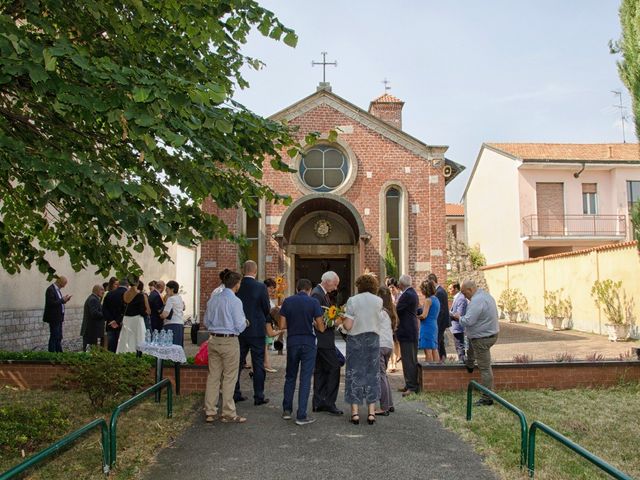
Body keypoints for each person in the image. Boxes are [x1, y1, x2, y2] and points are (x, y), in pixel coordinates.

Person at [203, 271, 248, 424]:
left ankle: (210, 410)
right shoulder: (235, 301)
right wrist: (246, 323)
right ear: (236, 285)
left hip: (214, 339)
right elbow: (239, 325)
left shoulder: (213, 299)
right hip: (229, 340)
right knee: (229, 377)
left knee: (213, 376)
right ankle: (228, 412)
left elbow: (206, 322)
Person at [279, 278, 325, 426]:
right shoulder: (314, 302)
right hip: (308, 343)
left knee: (290, 376)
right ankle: (301, 415)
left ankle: (287, 410)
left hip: (293, 341)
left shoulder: (287, 301)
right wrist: (312, 322)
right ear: (309, 290)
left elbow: (282, 325)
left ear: (297, 288)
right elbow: (321, 327)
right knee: (305, 378)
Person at [342, 274, 383, 425]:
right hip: (373, 338)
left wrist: (341, 320)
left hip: (356, 339)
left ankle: (355, 413)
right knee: (372, 373)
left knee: (354, 374)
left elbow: (348, 326)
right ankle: (371, 412)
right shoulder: (378, 301)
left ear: (359, 286)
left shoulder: (353, 300)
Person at [234, 260, 271, 406]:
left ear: (243, 270)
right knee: (258, 363)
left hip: (240, 330)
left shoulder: (237, 286)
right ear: (255, 271)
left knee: (237, 363)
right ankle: (258, 396)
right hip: (256, 330)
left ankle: (235, 393)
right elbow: (266, 307)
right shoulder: (260, 286)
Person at [459, 280, 500, 406]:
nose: (464, 297)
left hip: (482, 338)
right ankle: (470, 363)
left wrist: (458, 318)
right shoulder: (486, 296)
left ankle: (487, 397)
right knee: (472, 344)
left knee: (485, 368)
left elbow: (468, 321)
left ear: (470, 290)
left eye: (465, 294)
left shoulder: (476, 301)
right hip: (489, 334)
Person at [311, 271, 344, 416]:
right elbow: (320, 320)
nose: (336, 288)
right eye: (335, 284)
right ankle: (329, 402)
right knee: (334, 367)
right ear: (327, 281)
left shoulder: (320, 293)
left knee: (320, 371)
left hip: (322, 340)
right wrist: (335, 322)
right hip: (323, 339)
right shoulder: (318, 295)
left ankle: (318, 402)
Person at [395, 274, 420, 396]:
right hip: (409, 330)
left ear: (401, 284)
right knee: (407, 359)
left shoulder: (407, 294)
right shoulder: (410, 293)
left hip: (407, 330)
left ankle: (412, 386)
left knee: (409, 359)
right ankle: (408, 384)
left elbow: (398, 309)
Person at [376, 285, 397, 416]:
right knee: (384, 376)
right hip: (389, 345)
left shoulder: (380, 312)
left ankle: (384, 407)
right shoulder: (391, 312)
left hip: (379, 345)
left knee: (380, 376)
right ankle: (389, 404)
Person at [116, 276, 150, 353]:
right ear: (137, 282)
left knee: (125, 339)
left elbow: (121, 309)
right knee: (138, 339)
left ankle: (123, 354)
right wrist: (146, 313)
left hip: (126, 319)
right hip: (137, 319)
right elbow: (142, 311)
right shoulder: (140, 295)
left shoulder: (124, 294)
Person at [42, 276, 71, 352]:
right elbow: (50, 303)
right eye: (64, 283)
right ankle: (52, 352)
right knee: (54, 335)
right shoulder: (50, 290)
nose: (65, 285)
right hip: (53, 317)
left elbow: (58, 302)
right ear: (60, 281)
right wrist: (62, 300)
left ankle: (59, 352)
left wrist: (64, 300)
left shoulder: (57, 290)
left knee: (59, 336)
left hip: (59, 317)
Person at [428, 273, 450, 362]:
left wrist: (436, 324)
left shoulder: (439, 292)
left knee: (438, 340)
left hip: (440, 322)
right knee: (440, 341)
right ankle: (443, 358)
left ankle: (439, 360)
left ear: (433, 282)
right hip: (441, 322)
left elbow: (441, 311)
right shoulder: (440, 291)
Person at [418, 280, 440, 362]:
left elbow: (424, 315)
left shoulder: (428, 300)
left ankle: (428, 370)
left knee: (428, 350)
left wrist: (416, 316)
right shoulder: (436, 299)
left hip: (427, 326)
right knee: (434, 348)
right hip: (434, 325)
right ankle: (437, 370)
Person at [103, 278, 127, 352]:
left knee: (111, 347)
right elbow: (125, 310)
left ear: (118, 284)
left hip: (110, 324)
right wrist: (118, 321)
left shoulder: (109, 294)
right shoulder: (127, 294)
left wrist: (111, 320)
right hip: (122, 324)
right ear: (127, 284)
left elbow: (104, 309)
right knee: (122, 347)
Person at [80, 284, 105, 351]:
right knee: (90, 350)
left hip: (91, 329)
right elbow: (94, 313)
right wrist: (104, 314)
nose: (103, 292)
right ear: (96, 290)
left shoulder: (93, 298)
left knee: (90, 349)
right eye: (102, 290)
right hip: (91, 329)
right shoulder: (93, 299)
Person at [385, 277, 401, 372]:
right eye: (390, 287)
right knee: (391, 342)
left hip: (398, 322)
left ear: (397, 287)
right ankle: (392, 362)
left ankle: (394, 361)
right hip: (390, 322)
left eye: (393, 287)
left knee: (396, 342)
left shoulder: (400, 296)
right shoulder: (388, 297)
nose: (391, 289)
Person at [449, 282, 469, 362]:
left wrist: (448, 314)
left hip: (458, 326)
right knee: (458, 346)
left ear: (456, 289)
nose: (449, 290)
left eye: (450, 288)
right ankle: (461, 360)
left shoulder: (461, 298)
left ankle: (462, 362)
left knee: (460, 346)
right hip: (456, 326)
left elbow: (459, 314)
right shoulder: (457, 297)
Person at [161, 280, 185, 346]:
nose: (166, 290)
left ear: (172, 289)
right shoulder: (179, 298)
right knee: (178, 346)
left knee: (171, 347)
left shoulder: (171, 299)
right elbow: (183, 307)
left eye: (167, 289)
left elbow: (165, 314)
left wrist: (160, 315)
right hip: (180, 324)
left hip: (171, 325)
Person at [263, 278, 279, 373]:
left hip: (267, 323)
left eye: (273, 288)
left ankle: (265, 364)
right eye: (271, 288)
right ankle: (266, 364)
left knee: (264, 345)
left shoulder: (268, 297)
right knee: (263, 345)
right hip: (264, 323)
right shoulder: (264, 297)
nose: (272, 290)